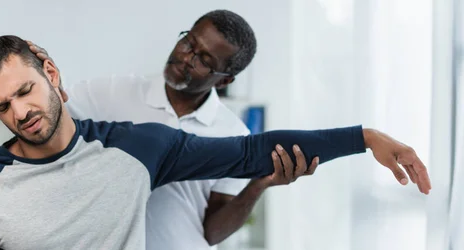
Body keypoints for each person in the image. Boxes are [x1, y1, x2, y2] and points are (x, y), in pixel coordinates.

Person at [0, 34, 431, 250]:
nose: (20, 114)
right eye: (1, 108)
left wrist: (365, 137)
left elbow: (249, 152)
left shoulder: (137, 149)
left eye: (25, 92)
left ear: (50, 75)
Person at [27, 9, 313, 250]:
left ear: (224, 81)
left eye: (204, 60)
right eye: (189, 42)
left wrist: (257, 186)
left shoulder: (233, 133)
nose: (186, 57)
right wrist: (39, 75)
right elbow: (53, 114)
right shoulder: (111, 93)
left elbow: (212, 232)